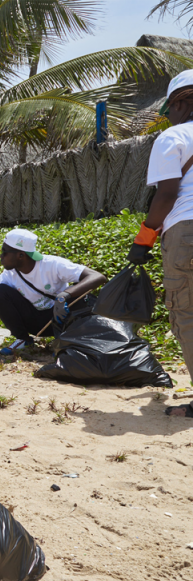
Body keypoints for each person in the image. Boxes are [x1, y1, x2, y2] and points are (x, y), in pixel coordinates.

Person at [129, 69, 193, 417]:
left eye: (168, 108)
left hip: (187, 230)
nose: (168, 115)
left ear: (182, 101)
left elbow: (167, 194)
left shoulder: (175, 137)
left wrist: (144, 240)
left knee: (188, 315)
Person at [0, 228, 106, 353]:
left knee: (78, 296)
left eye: (5, 252)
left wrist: (64, 295)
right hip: (38, 323)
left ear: (21, 255)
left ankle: (72, 339)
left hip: (63, 316)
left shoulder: (52, 265)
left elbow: (97, 277)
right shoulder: (9, 276)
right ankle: (23, 340)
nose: (1, 256)